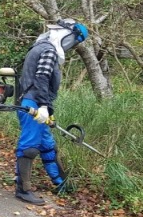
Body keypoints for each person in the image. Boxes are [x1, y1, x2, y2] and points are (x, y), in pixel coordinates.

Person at [15, 18, 88, 205]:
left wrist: (49, 110)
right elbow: (42, 77)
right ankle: (22, 189)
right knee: (29, 146)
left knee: (47, 145)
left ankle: (61, 183)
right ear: (65, 35)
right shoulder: (49, 50)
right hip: (34, 103)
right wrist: (43, 107)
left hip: (34, 101)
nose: (71, 45)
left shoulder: (40, 46)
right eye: (72, 40)